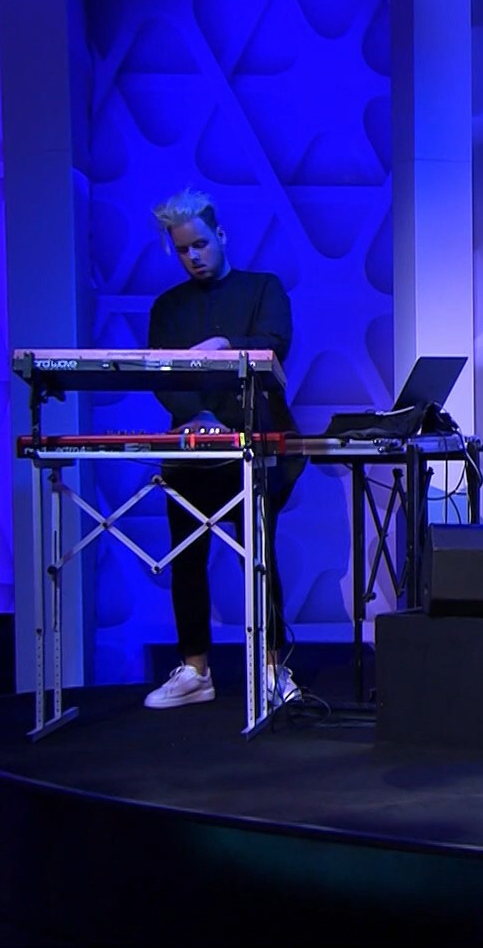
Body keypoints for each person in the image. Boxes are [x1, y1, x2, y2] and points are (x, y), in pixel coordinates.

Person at [141, 189, 305, 710]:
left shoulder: (263, 288)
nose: (193, 256)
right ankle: (195, 670)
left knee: (258, 556)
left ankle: (273, 667)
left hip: (254, 447)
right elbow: (161, 376)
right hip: (191, 450)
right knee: (187, 557)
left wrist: (225, 347)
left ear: (221, 236)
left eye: (200, 245)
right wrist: (199, 417)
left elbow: (275, 345)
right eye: (182, 249)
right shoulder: (167, 307)